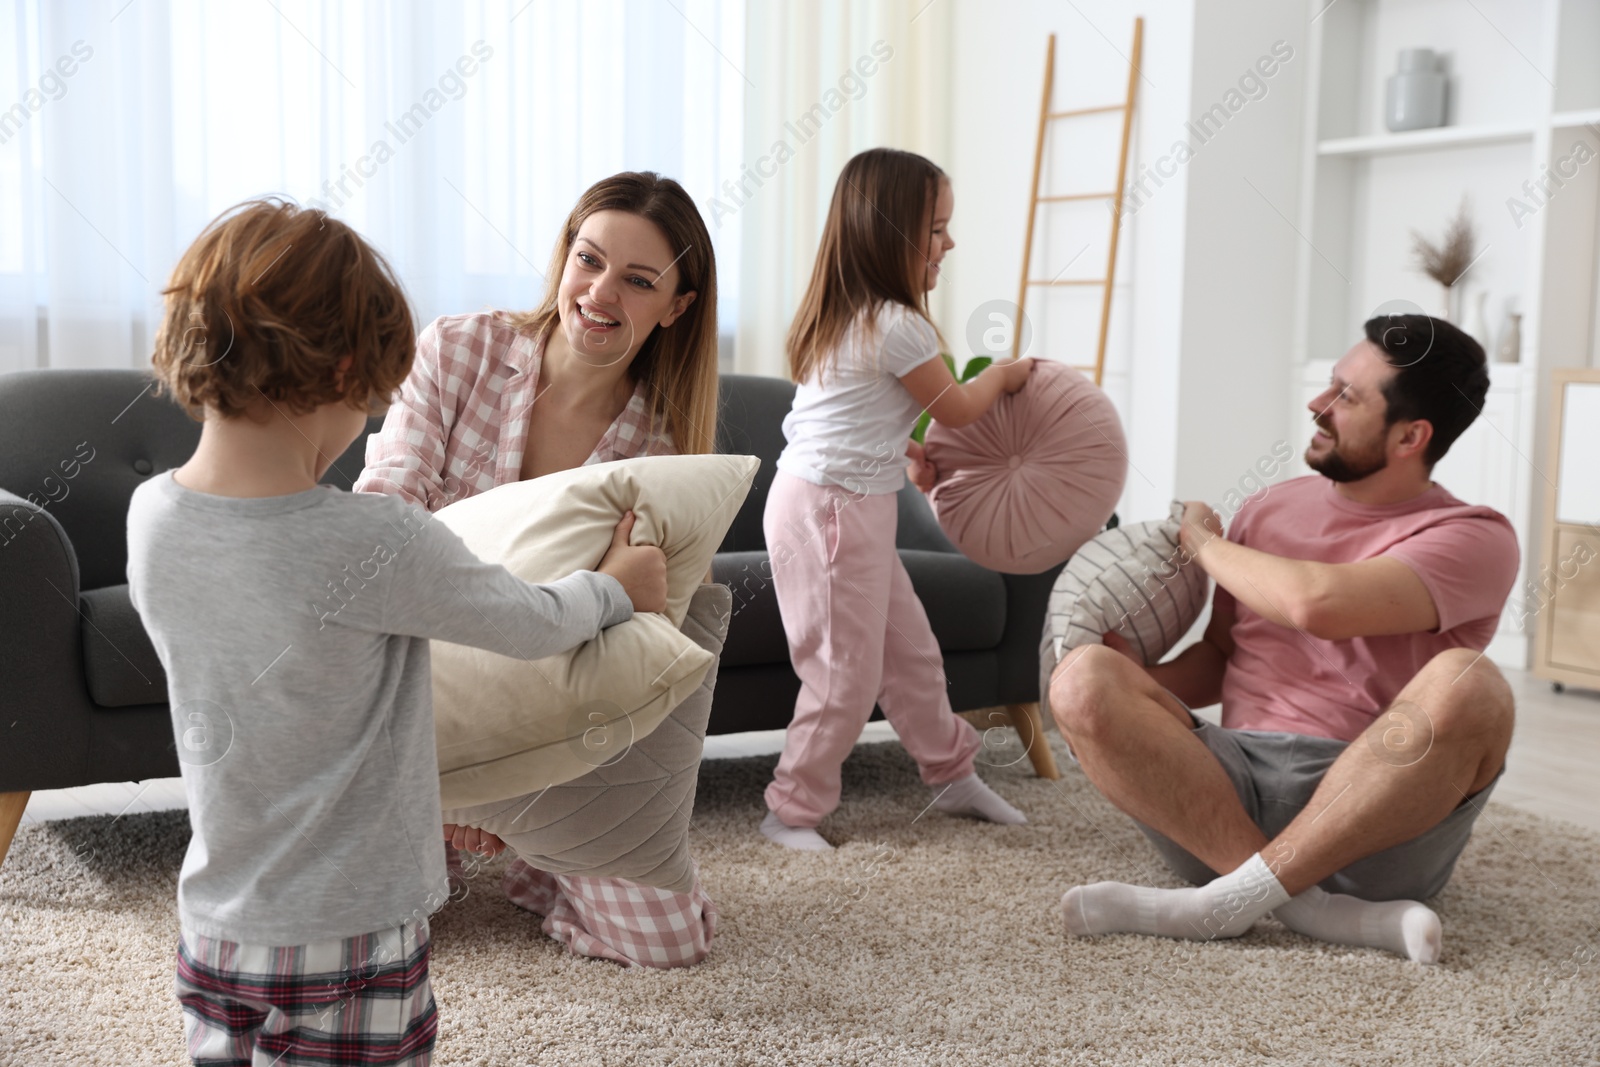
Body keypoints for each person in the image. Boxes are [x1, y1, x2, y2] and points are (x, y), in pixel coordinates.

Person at [127, 198, 664, 1064]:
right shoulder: (373, 541)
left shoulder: (151, 517)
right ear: (344, 371)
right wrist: (612, 587)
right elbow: (531, 625)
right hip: (354, 938)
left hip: (217, 930)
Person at [1050, 314, 1518, 963]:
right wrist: (1127, 685)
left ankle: (1224, 903)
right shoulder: (1270, 506)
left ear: (1412, 435)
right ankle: (1305, 907)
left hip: (1373, 816)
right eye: (1331, 385)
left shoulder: (1475, 536)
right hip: (1223, 797)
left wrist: (1203, 541)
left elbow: (1315, 603)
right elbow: (1222, 656)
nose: (1317, 405)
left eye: (1347, 397)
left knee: (1474, 681)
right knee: (1079, 675)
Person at [354, 171, 721, 967]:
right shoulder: (461, 349)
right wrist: (453, 779)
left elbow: (628, 638)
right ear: (563, 256)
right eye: (587, 260)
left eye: (637, 280)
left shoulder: (659, 449)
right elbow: (385, 531)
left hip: (544, 732)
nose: (600, 292)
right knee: (366, 936)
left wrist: (510, 789)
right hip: (414, 702)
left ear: (677, 306)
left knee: (668, 942)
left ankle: (534, 864)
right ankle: (448, 833)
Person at [758, 147, 1035, 852]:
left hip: (842, 501)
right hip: (832, 511)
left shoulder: (845, 317)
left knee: (911, 652)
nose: (950, 243)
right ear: (894, 236)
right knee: (842, 672)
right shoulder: (895, 324)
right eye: (938, 229)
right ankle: (790, 808)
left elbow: (842, 419)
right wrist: (1003, 376)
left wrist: (902, 451)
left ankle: (950, 772)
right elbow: (961, 408)